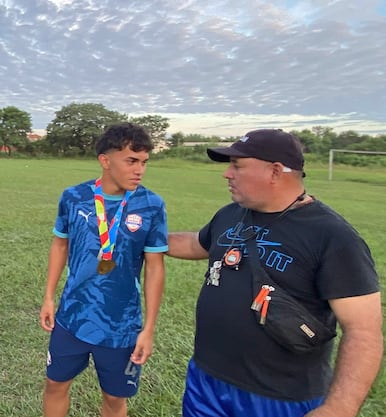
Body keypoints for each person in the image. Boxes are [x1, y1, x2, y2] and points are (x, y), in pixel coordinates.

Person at [166, 129, 383, 417]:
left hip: (280, 398)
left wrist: (340, 407)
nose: (227, 174)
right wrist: (146, 238)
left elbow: (363, 332)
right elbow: (197, 243)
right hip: (207, 381)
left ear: (275, 171)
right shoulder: (231, 214)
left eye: (237, 166)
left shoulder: (332, 237)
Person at [39, 122, 168, 417]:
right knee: (55, 384)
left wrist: (148, 329)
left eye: (144, 162)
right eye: (131, 161)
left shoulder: (151, 205)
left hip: (121, 325)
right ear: (105, 160)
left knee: (114, 399)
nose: (139, 170)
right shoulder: (73, 197)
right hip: (72, 315)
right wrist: (48, 297)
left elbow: (154, 268)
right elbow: (60, 245)